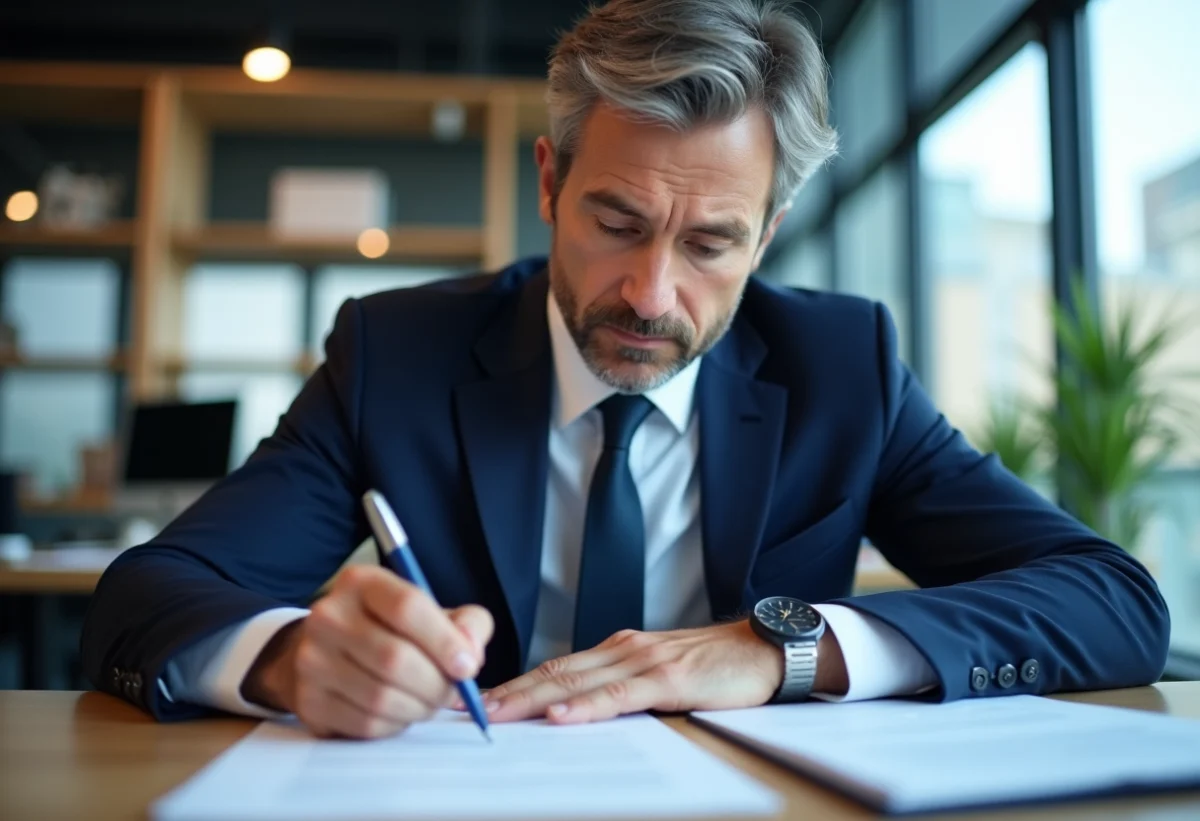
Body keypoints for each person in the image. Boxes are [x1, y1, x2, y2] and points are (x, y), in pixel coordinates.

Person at [82, 0, 1169, 739]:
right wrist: (286, 657)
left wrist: (785, 648)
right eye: (617, 219)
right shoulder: (394, 356)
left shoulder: (848, 367)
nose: (651, 294)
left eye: (711, 243)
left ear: (770, 231)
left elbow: (1113, 600)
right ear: (551, 182)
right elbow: (143, 599)